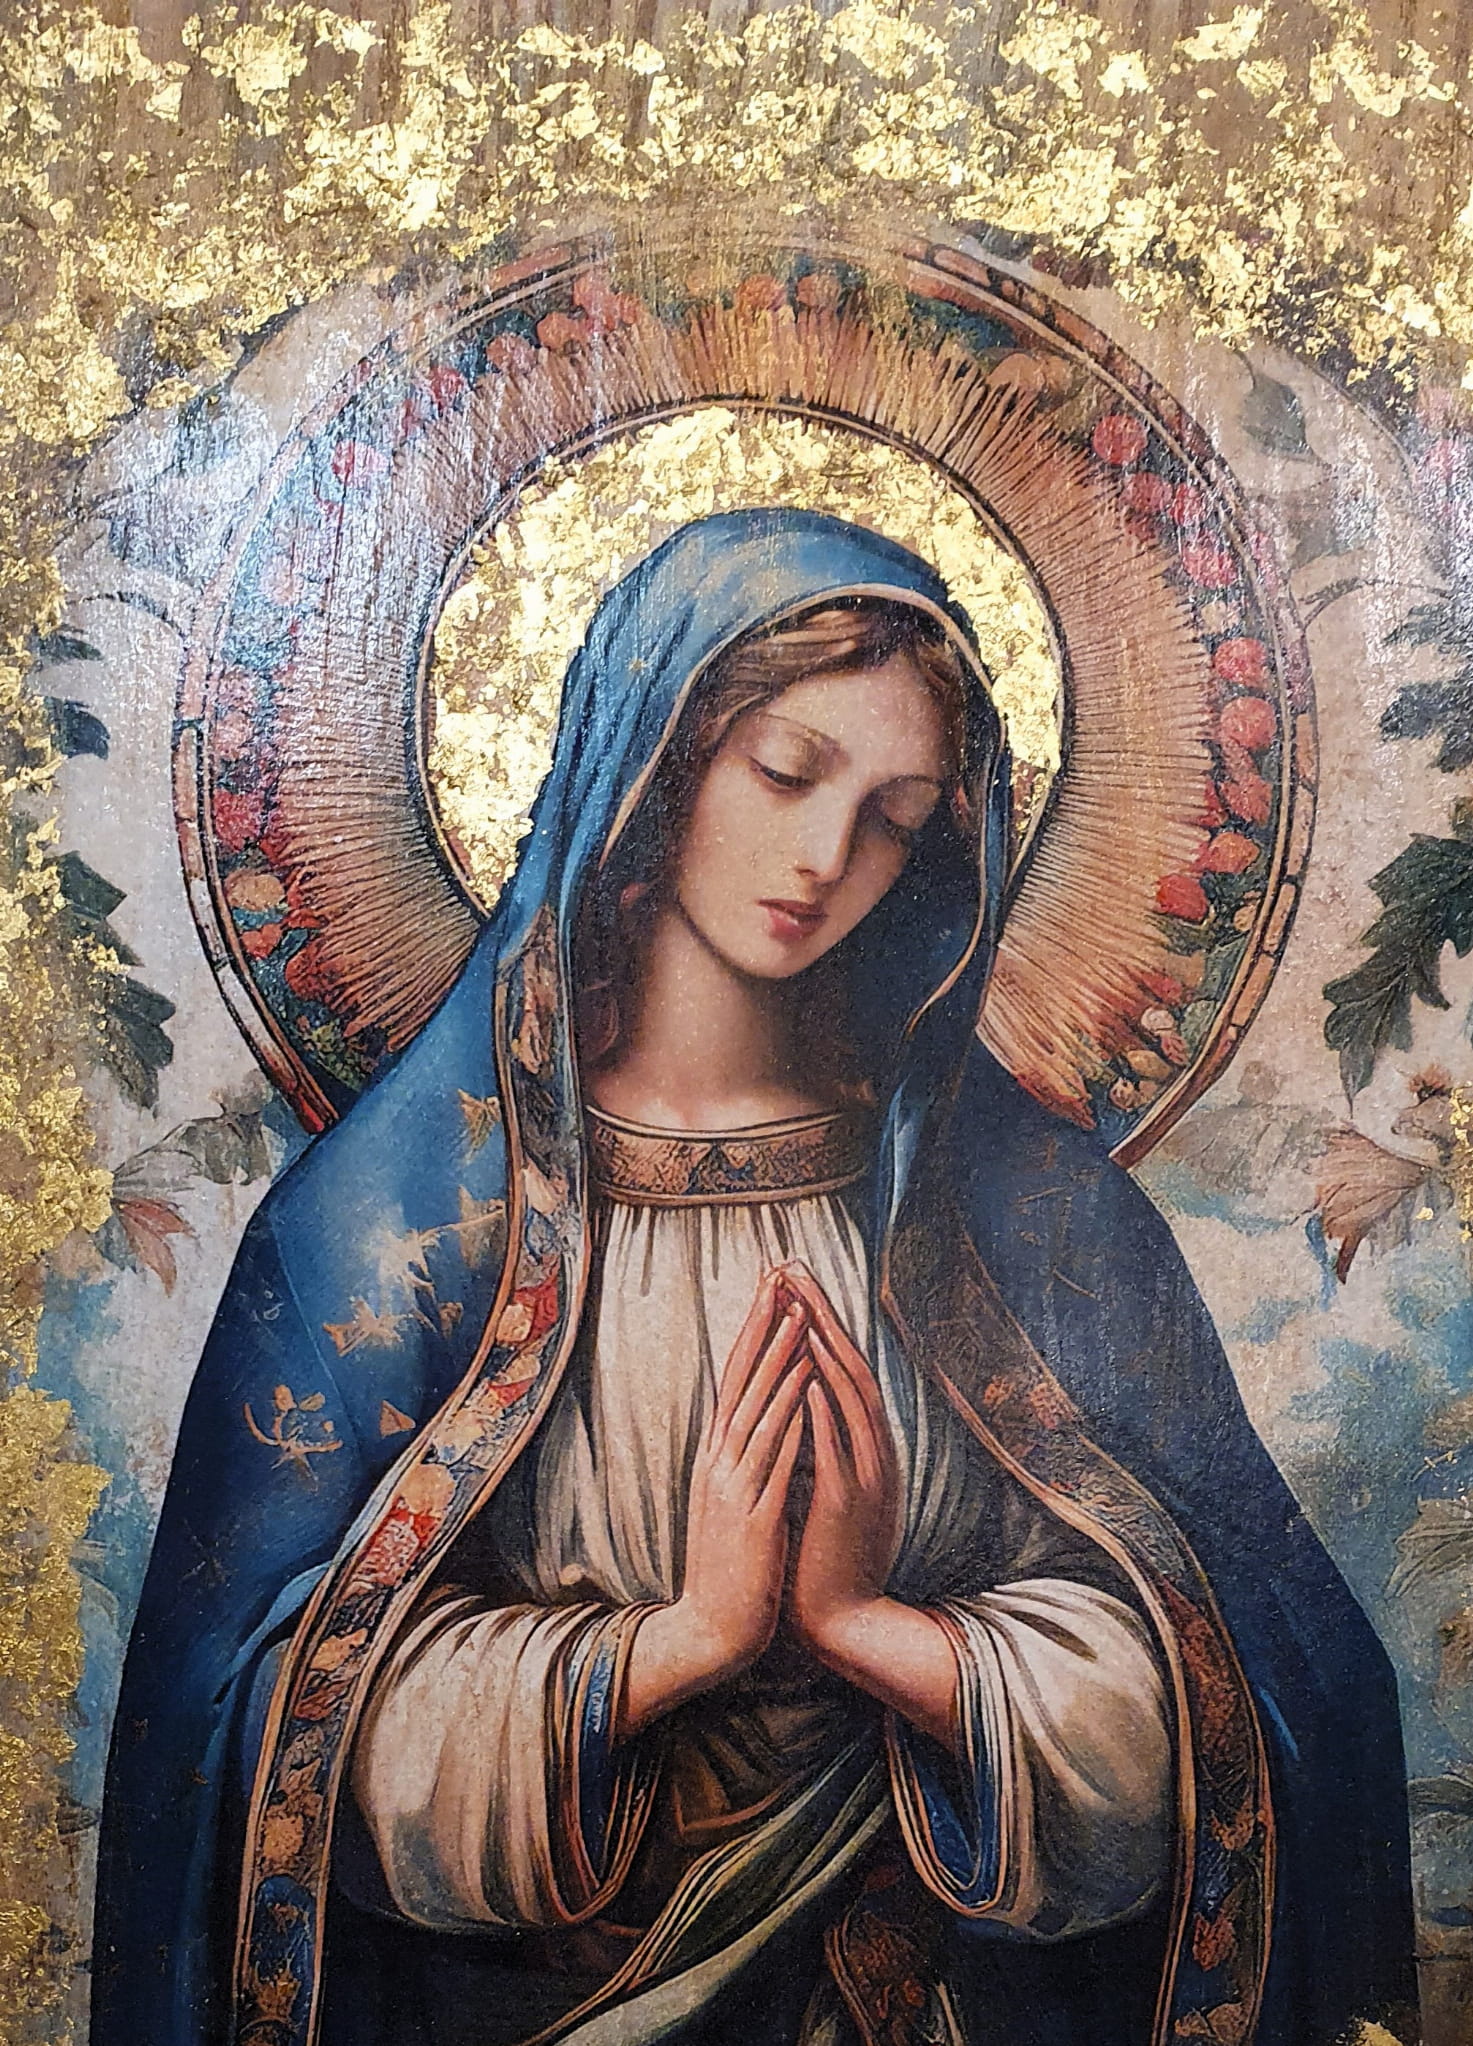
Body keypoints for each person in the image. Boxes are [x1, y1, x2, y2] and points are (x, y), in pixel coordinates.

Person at [93, 511, 1417, 2046]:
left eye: (894, 818)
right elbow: (251, 1754)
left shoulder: (1028, 1220)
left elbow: (1245, 1706)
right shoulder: (384, 1234)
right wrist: (681, 1641)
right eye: (786, 772)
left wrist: (870, 1627)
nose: (825, 858)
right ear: (655, 760)